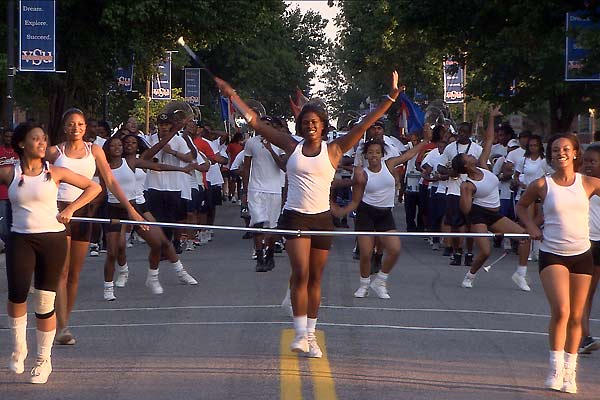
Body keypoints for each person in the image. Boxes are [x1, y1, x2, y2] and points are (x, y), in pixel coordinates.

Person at [215, 70, 400, 358]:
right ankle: (300, 333)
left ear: (323, 126)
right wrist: (231, 93)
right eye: (305, 123)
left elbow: (366, 124)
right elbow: (254, 120)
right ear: (300, 127)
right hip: (295, 217)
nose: (310, 126)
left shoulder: (336, 149)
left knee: (315, 278)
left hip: (322, 219)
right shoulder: (291, 146)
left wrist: (390, 98)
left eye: (314, 122)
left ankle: (311, 334)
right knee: (300, 273)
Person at [5, 122, 101, 384]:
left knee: (45, 302)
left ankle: (43, 360)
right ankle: (18, 348)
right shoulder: (9, 173)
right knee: (17, 294)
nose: (41, 143)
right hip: (21, 240)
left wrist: (71, 209)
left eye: (44, 139)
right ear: (22, 144)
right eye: (35, 139)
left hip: (53, 239)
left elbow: (94, 188)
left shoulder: (56, 171)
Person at [45, 108, 146, 345]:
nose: (75, 128)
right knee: (62, 271)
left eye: (80, 124)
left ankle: (64, 322)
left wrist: (131, 210)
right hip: (58, 213)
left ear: (85, 127)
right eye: (71, 124)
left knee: (74, 274)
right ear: (64, 127)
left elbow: (109, 181)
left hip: (85, 213)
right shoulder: (54, 152)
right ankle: (62, 327)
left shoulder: (95, 150)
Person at [516, 133, 600, 394]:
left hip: (582, 254)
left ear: (575, 153)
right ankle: (554, 367)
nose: (560, 153)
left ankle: (570, 370)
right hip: (552, 253)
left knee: (577, 315)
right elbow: (521, 207)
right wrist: (530, 226)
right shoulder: (542, 184)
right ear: (550, 154)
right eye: (555, 149)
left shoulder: (588, 183)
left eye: (565, 149)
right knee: (562, 310)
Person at [331, 133, 430, 299]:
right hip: (366, 212)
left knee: (395, 249)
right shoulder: (361, 173)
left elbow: (409, 154)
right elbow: (355, 201)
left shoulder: (390, 164)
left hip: (385, 213)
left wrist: (425, 141)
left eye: (377, 152)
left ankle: (380, 281)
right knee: (365, 253)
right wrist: (341, 212)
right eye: (370, 152)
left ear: (382, 154)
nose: (374, 155)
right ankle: (364, 285)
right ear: (365, 155)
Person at [101, 135, 198, 300]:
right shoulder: (104, 167)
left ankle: (152, 277)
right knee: (112, 252)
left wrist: (181, 169)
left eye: (120, 145)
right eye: (113, 146)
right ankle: (108, 288)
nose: (117, 148)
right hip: (113, 211)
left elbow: (158, 166)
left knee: (157, 243)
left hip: (134, 209)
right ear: (108, 149)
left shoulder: (130, 162)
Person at [452, 106, 531, 291]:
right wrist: (464, 194)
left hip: (494, 214)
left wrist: (491, 118)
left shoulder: (483, 166)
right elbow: (465, 210)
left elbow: (488, 140)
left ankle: (520, 274)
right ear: (466, 164)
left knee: (524, 237)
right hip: (478, 215)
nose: (472, 154)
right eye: (468, 155)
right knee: (486, 251)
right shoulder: (468, 184)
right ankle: (470, 275)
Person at [244, 116, 286, 272]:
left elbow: (284, 166)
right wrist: (245, 190)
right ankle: (259, 257)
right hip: (256, 190)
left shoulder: (280, 142)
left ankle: (270, 255)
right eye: (262, 125)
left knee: (271, 228)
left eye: (268, 125)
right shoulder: (251, 143)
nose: (264, 128)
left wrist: (270, 149)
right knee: (258, 224)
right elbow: (246, 167)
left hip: (274, 190)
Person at [580, 145, 600, 354]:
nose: (588, 165)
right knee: (584, 293)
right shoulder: (578, 183)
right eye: (585, 161)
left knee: (590, 292)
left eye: (593, 161)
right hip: (585, 242)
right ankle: (584, 336)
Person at [0, 127, 18, 243]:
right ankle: (7, 245)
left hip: (16, 192)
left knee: (15, 222)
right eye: (6, 136)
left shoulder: (20, 152)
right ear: (3, 137)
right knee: (3, 225)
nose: (9, 139)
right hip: (2, 194)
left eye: (11, 137)